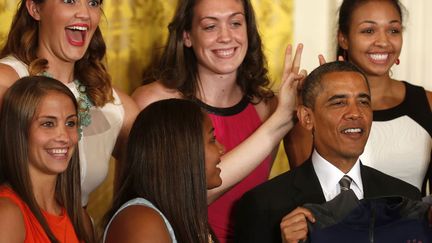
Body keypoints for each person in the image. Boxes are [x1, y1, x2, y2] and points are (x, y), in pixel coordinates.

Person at [131, 0, 304, 241]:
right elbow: (178, 199)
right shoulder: (153, 102)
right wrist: (280, 122)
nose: (226, 36)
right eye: (210, 26)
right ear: (187, 36)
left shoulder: (267, 107)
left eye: (235, 23)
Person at [235, 61, 421, 243]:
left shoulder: (405, 197)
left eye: (363, 101)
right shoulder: (264, 204)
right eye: (339, 103)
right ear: (307, 118)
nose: (355, 113)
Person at [285, 0, 432, 194]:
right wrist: (318, 96)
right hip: (335, 224)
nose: (383, 41)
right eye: (368, 31)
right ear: (343, 38)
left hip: (413, 224)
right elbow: (306, 194)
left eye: (393, 30)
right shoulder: (312, 108)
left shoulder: (427, 103)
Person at [0, 0, 139, 205]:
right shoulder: (6, 83)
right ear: (35, 8)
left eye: (93, 3)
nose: (84, 13)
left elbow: (158, 187)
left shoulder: (115, 106)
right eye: (69, 1)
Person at [103, 99, 224, 243]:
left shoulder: (183, 215)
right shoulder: (141, 222)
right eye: (212, 139)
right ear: (180, 152)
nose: (222, 149)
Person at [0, 76, 94, 242]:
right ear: (18, 131)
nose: (64, 137)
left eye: (70, 123)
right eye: (48, 124)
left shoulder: (81, 219)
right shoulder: (7, 214)